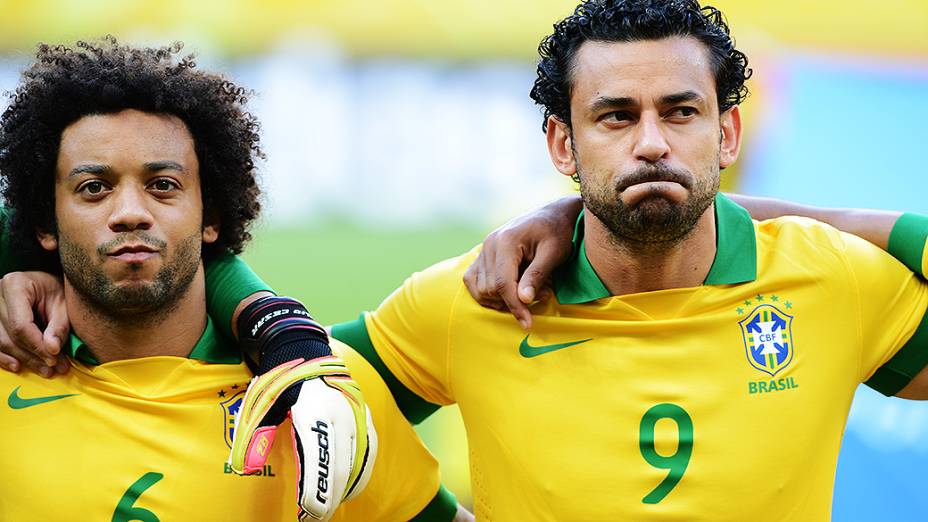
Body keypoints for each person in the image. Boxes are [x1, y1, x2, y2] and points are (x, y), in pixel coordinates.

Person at [4, 2, 928, 519]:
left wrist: (839, 218)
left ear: (726, 130)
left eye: (679, 113)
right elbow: (304, 387)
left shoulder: (833, 277)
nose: (652, 142)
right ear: (562, 146)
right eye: (616, 117)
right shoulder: (472, 301)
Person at [0, 38, 468, 521]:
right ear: (43, 223)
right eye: (94, 188)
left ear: (212, 217)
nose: (131, 213)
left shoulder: (324, 387)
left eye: (163, 185)